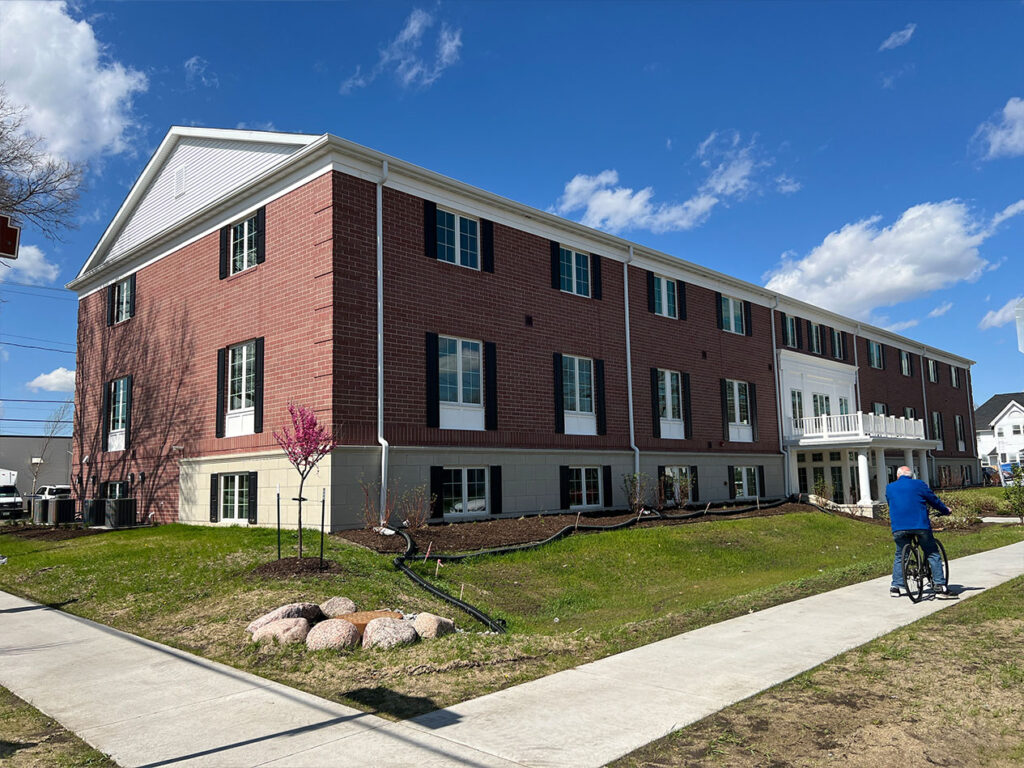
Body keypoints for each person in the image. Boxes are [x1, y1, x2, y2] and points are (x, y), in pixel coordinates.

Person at [885, 465, 953, 598]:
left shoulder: (890, 487)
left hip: (899, 527)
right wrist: (945, 510)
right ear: (911, 476)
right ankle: (940, 586)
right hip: (919, 525)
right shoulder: (919, 484)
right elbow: (933, 500)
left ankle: (896, 587)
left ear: (898, 476)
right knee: (932, 552)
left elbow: (891, 503)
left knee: (901, 555)